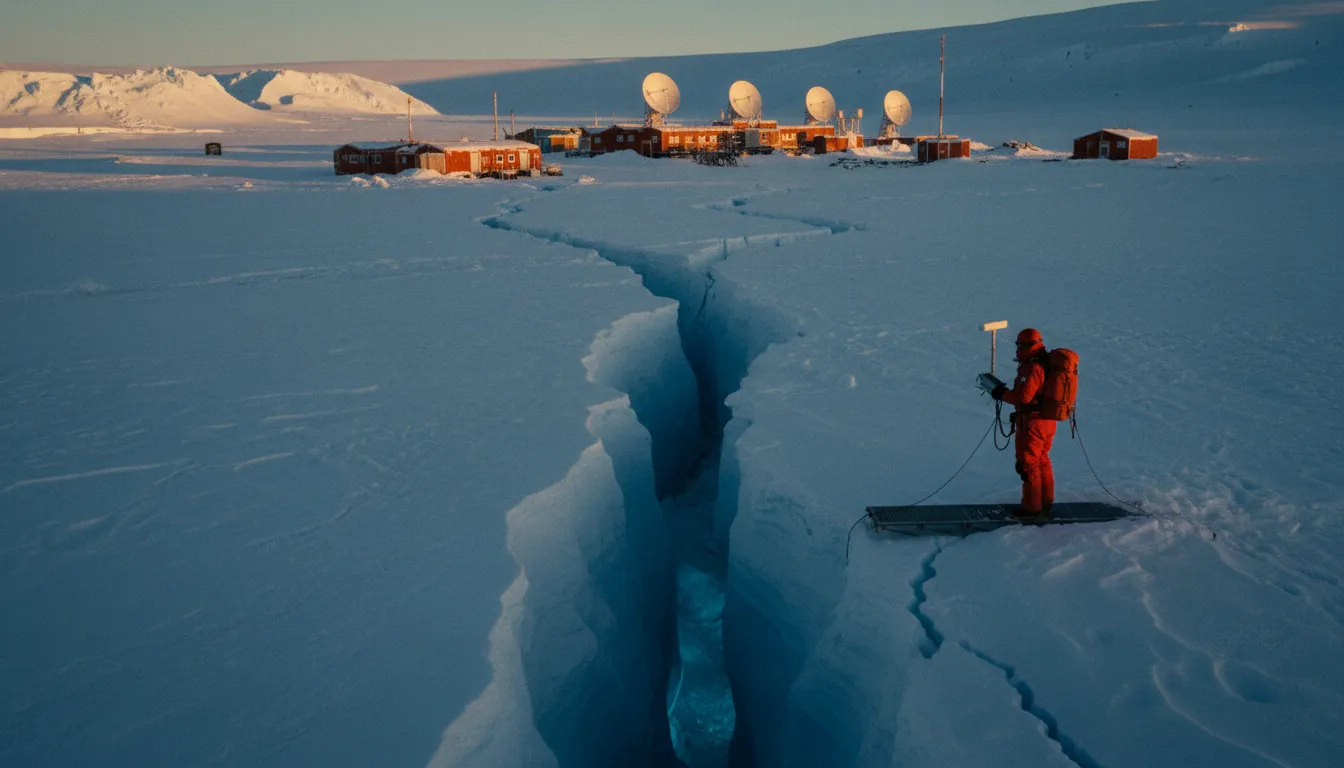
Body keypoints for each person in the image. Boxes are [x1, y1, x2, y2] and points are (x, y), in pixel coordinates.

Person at [990, 328, 1055, 517]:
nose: (1017, 349)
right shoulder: (1045, 363)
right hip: (1047, 421)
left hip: (1034, 423)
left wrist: (1001, 394)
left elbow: (1023, 397)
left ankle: (1032, 508)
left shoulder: (1033, 367)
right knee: (1042, 459)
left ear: (1027, 345)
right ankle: (1046, 501)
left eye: (1019, 345)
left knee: (1029, 464)